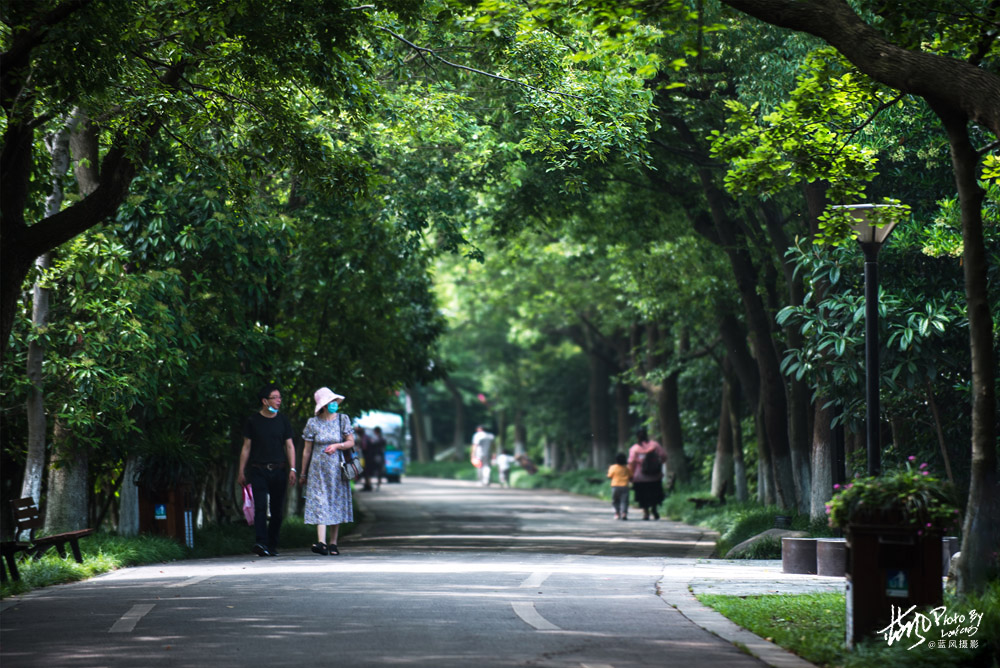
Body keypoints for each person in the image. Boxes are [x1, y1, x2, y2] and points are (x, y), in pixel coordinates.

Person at [237, 384, 297, 557]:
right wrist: (241, 471)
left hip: (279, 470)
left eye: (280, 397)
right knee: (260, 508)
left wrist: (293, 468)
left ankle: (272, 544)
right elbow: (246, 447)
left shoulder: (283, 420)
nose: (279, 401)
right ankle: (261, 543)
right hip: (258, 470)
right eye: (275, 397)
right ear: (264, 401)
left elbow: (290, 446)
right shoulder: (253, 421)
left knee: (277, 510)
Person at [300, 387, 355, 556]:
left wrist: (338, 445)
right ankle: (321, 542)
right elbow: (307, 450)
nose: (333, 404)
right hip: (318, 470)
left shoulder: (342, 420)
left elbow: (351, 442)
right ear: (323, 405)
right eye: (329, 402)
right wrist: (303, 472)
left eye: (334, 401)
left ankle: (333, 542)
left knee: (334, 501)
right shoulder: (313, 423)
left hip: (337, 469)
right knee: (320, 502)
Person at [628, 428, 667, 520]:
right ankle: (654, 509)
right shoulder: (655, 445)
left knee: (642, 496)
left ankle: (646, 513)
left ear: (637, 437)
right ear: (646, 435)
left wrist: (631, 475)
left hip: (640, 478)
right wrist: (657, 464)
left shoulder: (635, 448)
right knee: (654, 494)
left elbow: (632, 462)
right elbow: (664, 457)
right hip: (655, 476)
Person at [607, 452, 632, 520]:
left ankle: (617, 513)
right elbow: (631, 476)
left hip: (615, 486)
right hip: (625, 486)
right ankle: (624, 513)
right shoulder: (627, 468)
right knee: (624, 501)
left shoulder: (613, 467)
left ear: (616, 460)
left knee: (615, 500)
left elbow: (609, 476)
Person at [368, 426, 387, 490]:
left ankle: (376, 483)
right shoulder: (380, 438)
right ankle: (375, 483)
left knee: (377, 469)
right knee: (378, 470)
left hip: (377, 455)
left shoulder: (379, 438)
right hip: (377, 455)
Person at [355, 426, 373, 491]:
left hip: (366, 457)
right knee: (366, 472)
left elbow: (364, 447)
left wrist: (359, 447)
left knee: (366, 471)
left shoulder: (363, 438)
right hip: (368, 457)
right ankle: (367, 485)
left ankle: (368, 485)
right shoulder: (365, 437)